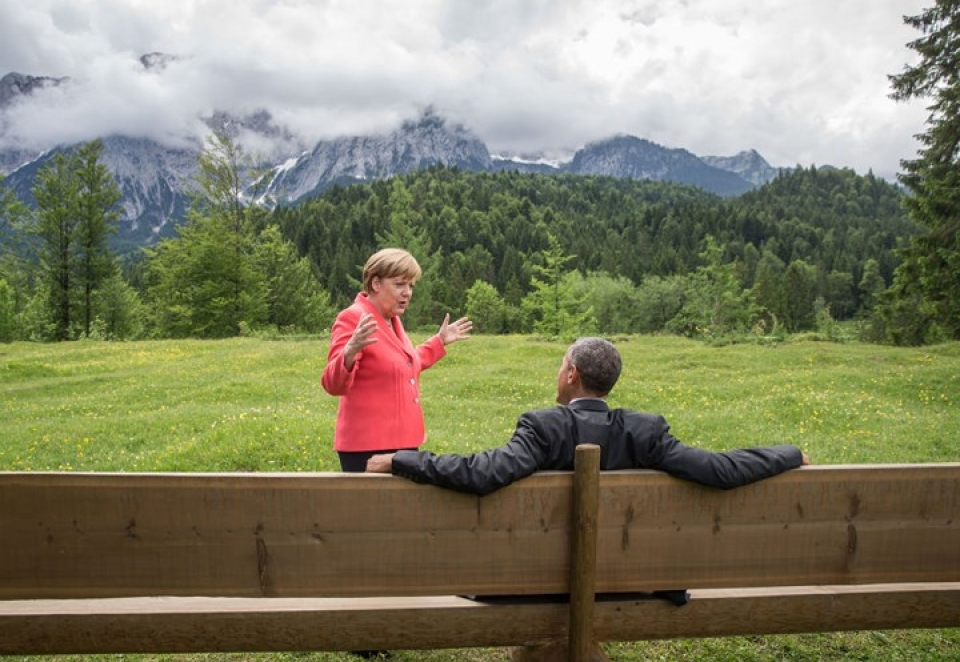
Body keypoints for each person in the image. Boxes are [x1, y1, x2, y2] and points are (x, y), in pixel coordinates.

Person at [366, 336, 809, 495]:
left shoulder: (543, 428)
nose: (558, 373)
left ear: (572, 374)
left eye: (561, 365)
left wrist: (402, 459)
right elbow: (721, 469)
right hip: (630, 580)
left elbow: (483, 473)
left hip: (540, 581)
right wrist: (788, 454)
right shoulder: (645, 432)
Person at [322, 248, 472, 473]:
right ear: (375, 284)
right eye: (400, 284)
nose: (408, 292)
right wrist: (349, 352)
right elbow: (333, 384)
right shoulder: (354, 317)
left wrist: (439, 342)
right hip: (368, 448)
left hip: (404, 444)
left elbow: (403, 364)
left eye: (411, 286)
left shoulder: (392, 320)